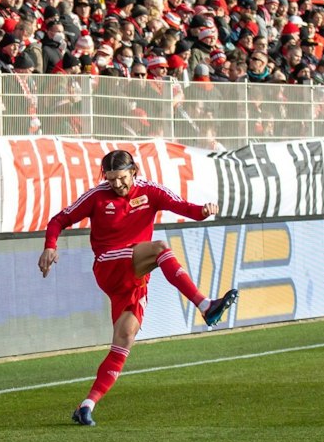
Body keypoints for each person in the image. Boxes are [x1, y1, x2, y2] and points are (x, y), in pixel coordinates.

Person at [38, 149, 238, 426]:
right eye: (110, 180)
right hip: (109, 264)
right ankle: (205, 305)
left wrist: (204, 212)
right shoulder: (96, 197)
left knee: (125, 340)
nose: (116, 185)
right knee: (160, 249)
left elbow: (187, 209)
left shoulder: (151, 192)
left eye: (121, 178)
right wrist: (50, 247)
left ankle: (86, 406)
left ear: (134, 171)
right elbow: (59, 219)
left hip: (134, 279)